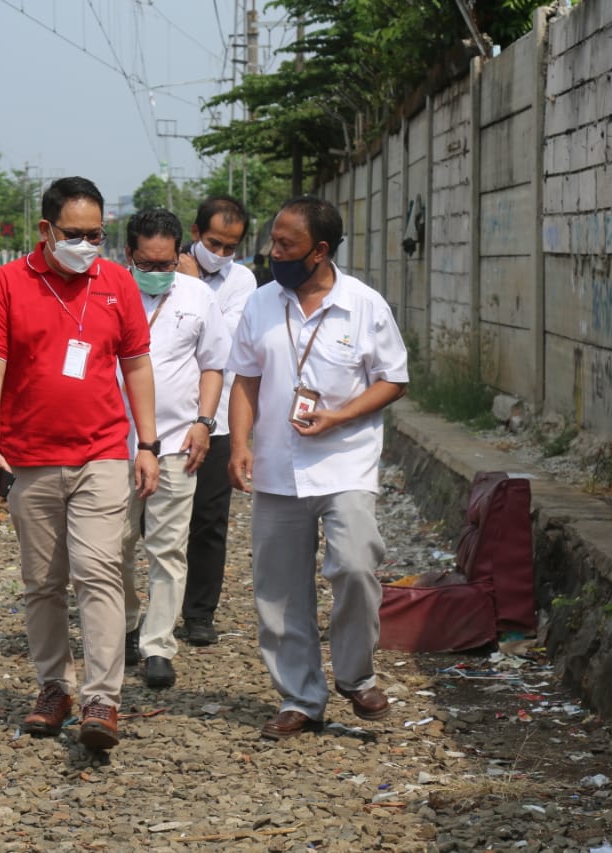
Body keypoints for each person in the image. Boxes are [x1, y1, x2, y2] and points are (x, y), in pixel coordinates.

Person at [0, 176, 160, 752]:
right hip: (30, 458)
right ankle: (54, 687)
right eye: (74, 234)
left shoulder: (117, 283)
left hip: (102, 452)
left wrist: (147, 444)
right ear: (46, 230)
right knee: (43, 583)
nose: (86, 244)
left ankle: (103, 698)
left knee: (99, 569)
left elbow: (138, 365)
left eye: (96, 234)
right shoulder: (7, 284)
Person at [226, 195, 409, 740]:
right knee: (279, 591)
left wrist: (339, 417)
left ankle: (355, 675)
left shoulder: (365, 305)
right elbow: (245, 379)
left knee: (354, 566)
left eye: (286, 244)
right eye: (273, 241)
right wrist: (240, 445)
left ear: (321, 251)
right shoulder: (261, 304)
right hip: (279, 468)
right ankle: (301, 698)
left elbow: (393, 379)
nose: (273, 252)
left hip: (345, 463)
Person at [117, 209, 229, 689]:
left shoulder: (198, 296)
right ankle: (123, 625)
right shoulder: (106, 292)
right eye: (147, 262)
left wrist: (204, 423)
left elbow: (213, 365)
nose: (157, 272)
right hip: (111, 443)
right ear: (129, 255)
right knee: (113, 546)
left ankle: (158, 645)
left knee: (168, 548)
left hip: (177, 441)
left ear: (179, 254)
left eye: (166, 263)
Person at [175, 196, 257, 647]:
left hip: (219, 416)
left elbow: (225, 343)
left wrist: (195, 289)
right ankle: (140, 615)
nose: (221, 254)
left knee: (208, 520)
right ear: (194, 232)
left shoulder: (242, 281)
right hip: (164, 416)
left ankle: (199, 613)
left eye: (230, 246)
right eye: (213, 243)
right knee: (148, 520)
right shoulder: (161, 267)